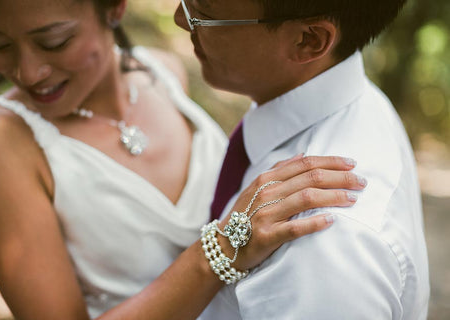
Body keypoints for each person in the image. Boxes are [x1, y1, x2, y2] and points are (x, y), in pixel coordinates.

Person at [0, 0, 367, 319]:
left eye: (54, 41)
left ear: (115, 7)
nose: (28, 72)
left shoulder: (164, 71)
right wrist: (220, 251)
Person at [174, 0, 430, 319]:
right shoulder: (353, 101)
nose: (181, 20)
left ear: (308, 40)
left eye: (205, 14)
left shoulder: (325, 245)